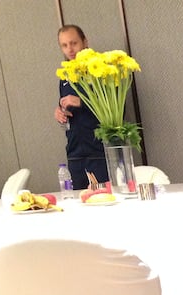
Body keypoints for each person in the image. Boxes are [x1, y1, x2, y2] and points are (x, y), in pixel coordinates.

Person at [53, 24, 108, 189]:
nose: (70, 49)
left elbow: (115, 110)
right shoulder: (65, 76)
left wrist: (81, 101)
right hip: (75, 154)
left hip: (100, 153)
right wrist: (59, 112)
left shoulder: (101, 70)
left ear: (85, 42)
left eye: (73, 43)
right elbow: (65, 105)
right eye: (64, 45)